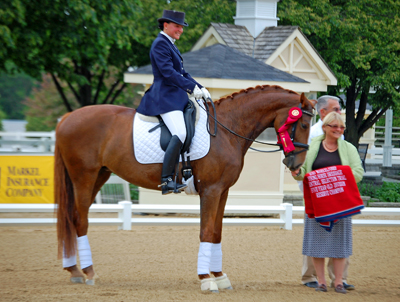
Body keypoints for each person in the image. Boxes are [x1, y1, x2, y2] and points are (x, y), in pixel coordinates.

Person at [136, 10, 211, 195]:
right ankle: (167, 180)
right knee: (180, 132)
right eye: (177, 26)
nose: (180, 30)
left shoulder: (170, 45)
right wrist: (190, 88)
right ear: (166, 25)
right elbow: (169, 74)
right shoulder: (160, 44)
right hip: (164, 97)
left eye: (181, 27)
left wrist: (200, 87)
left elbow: (183, 73)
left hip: (175, 97)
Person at [291, 112, 364, 294]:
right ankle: (321, 282)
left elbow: (358, 172)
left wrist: (335, 177)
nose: (338, 130)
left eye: (341, 127)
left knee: (340, 244)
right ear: (324, 128)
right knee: (316, 243)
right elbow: (304, 171)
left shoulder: (349, 148)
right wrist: (297, 173)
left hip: (341, 203)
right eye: (334, 126)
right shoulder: (312, 146)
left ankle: (338, 282)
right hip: (317, 203)